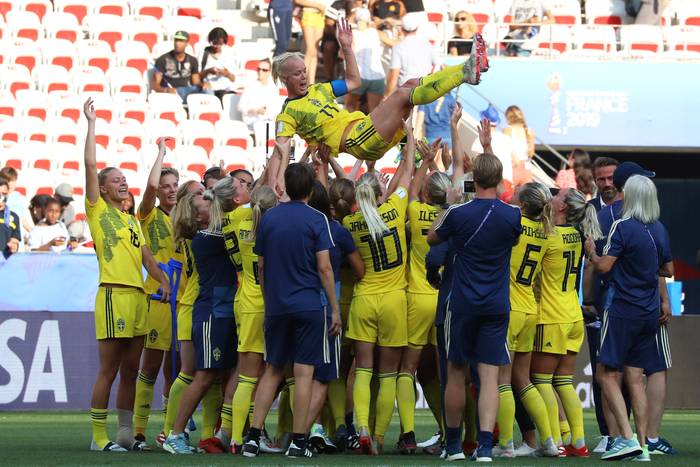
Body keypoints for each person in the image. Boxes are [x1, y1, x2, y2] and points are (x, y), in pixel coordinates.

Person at [269, 18, 487, 190]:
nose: (304, 77)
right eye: (297, 74)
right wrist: (276, 181)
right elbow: (281, 150)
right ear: (285, 78)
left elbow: (354, 81)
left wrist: (346, 47)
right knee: (402, 94)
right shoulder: (288, 113)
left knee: (410, 83)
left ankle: (467, 69)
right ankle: (465, 74)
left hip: (365, 128)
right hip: (358, 140)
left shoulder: (319, 89)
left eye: (304, 71)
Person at [82, 97, 171, 452]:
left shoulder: (131, 220)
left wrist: (162, 281)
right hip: (113, 295)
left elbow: (148, 258)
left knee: (131, 370)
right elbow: (90, 164)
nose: (122, 183)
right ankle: (98, 436)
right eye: (115, 180)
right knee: (109, 369)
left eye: (123, 179)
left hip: (138, 298)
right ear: (102, 189)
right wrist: (91, 123)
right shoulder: (97, 212)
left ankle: (124, 434)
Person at [427, 152, 522, 462]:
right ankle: (484, 446)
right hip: (496, 303)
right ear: (499, 178)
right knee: (490, 375)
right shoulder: (512, 215)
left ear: (473, 179)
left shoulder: (458, 213)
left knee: (455, 372)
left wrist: (448, 204)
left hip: (463, 302)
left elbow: (431, 239)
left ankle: (453, 446)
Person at [242, 163, 340, 459]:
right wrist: (334, 309)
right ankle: (298, 440)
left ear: (285, 185)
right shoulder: (317, 219)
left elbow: (261, 265)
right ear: (311, 189)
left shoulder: (269, 218)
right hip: (309, 305)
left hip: (277, 306)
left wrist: (268, 299)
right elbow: (324, 267)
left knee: (272, 369)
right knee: (304, 372)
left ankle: (252, 437)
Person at [585, 174, 673, 461]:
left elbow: (603, 267)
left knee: (605, 374)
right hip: (648, 312)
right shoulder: (659, 229)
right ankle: (645, 446)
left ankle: (626, 438)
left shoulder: (622, 227)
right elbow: (667, 269)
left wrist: (591, 253)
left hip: (623, 309)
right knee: (636, 379)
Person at [163, 177, 244, 454]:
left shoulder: (217, 233)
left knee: (232, 370)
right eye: (204, 202)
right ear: (199, 215)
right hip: (211, 313)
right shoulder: (207, 239)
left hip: (225, 311)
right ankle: (175, 433)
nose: (209, 202)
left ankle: (224, 432)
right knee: (204, 376)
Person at [531, 187, 602, 458]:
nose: (552, 196)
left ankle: (555, 442)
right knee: (563, 381)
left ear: (562, 207)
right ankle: (578, 442)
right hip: (574, 315)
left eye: (557, 195)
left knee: (541, 380)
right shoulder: (577, 235)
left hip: (552, 317)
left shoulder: (548, 237)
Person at [493, 182, 559, 458]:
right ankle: (549, 442)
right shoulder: (546, 231)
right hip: (530, 309)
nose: (513, 192)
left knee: (502, 381)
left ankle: (506, 443)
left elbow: (490, 202)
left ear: (522, 203)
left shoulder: (512, 221)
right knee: (524, 380)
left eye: (517, 191)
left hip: (509, 309)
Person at [397, 140, 451, 454]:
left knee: (408, 368)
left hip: (417, 298)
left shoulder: (416, 212)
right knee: (440, 372)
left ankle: (407, 434)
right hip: (444, 300)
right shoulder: (455, 217)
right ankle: (450, 433)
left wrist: (423, 162)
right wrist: (434, 165)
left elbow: (412, 189)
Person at [132, 139, 181, 449]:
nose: (171, 190)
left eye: (175, 184)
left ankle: (167, 431)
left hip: (184, 302)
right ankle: (138, 431)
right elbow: (148, 190)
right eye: (166, 185)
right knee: (150, 367)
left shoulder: (187, 217)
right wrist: (161, 154)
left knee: (175, 371)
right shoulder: (148, 215)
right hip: (157, 300)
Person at [227, 185, 277, 452]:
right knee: (284, 375)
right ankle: (282, 435)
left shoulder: (237, 221)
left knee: (246, 377)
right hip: (270, 307)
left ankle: (236, 438)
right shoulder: (275, 232)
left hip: (245, 304)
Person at [344, 7, 395, 113]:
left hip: (358, 76)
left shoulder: (351, 34)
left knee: (350, 109)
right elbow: (394, 44)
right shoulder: (377, 33)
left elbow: (344, 54)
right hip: (377, 77)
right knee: (375, 113)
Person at [384, 14, 439, 98]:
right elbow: (438, 65)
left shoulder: (398, 47)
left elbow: (393, 76)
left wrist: (387, 96)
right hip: (424, 89)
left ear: (402, 29)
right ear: (417, 28)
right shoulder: (428, 45)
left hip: (406, 91)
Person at [237, 58, 282, 146]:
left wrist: (274, 117)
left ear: (269, 72)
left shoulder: (273, 88)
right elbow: (241, 106)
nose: (260, 72)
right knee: (263, 127)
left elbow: (277, 108)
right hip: (253, 121)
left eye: (264, 70)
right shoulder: (250, 86)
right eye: (259, 69)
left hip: (268, 121)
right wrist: (255, 110)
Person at [151, 31, 202, 103]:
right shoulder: (162, 60)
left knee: (207, 91)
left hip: (187, 91)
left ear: (187, 43)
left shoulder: (192, 60)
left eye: (181, 41)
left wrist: (204, 85)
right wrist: (166, 90)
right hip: (170, 94)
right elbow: (154, 84)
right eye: (176, 40)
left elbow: (196, 82)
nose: (178, 43)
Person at [471, 105, 514, 184]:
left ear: (483, 121)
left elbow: (476, 161)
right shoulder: (507, 139)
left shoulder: (480, 139)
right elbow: (515, 161)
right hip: (507, 181)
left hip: (490, 182)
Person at [296, 0, 330, 84]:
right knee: (310, 50)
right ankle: (301, 80)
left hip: (320, 15)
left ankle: (311, 82)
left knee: (315, 51)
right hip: (308, 14)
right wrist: (317, 5)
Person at [199, 27, 237, 99]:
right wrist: (208, 71)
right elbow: (197, 77)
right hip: (208, 89)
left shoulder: (229, 53)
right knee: (209, 95)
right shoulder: (203, 54)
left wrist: (227, 73)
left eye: (220, 44)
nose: (216, 46)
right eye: (214, 43)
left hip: (225, 89)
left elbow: (233, 78)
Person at [504, 105, 535, 186]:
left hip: (512, 166)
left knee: (508, 196)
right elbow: (531, 153)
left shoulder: (507, 130)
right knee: (527, 196)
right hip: (526, 168)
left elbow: (507, 149)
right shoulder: (529, 131)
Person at [0, 177, 21, 259]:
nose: (1, 197)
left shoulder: (13, 217)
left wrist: (13, 246)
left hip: (4, 263)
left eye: (4, 194)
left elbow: (15, 240)